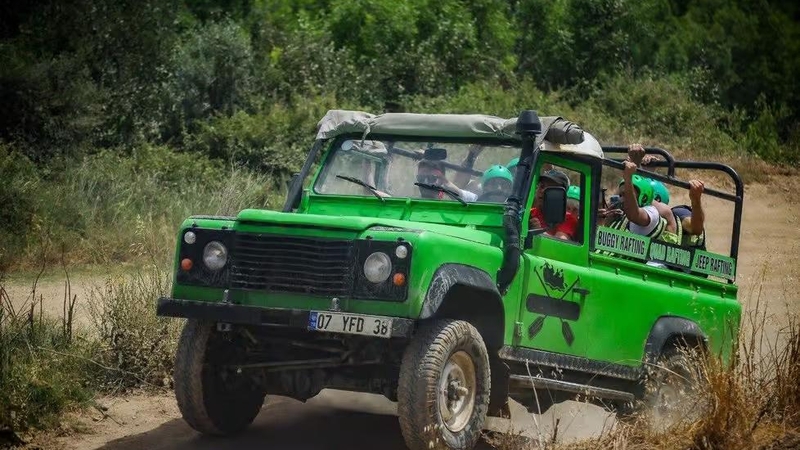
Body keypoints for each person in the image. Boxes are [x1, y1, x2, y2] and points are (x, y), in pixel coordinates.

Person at [530, 169, 578, 241]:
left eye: (550, 189)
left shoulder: (567, 218)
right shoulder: (529, 213)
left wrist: (538, 232)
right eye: (542, 186)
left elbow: (561, 243)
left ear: (561, 195)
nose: (543, 191)